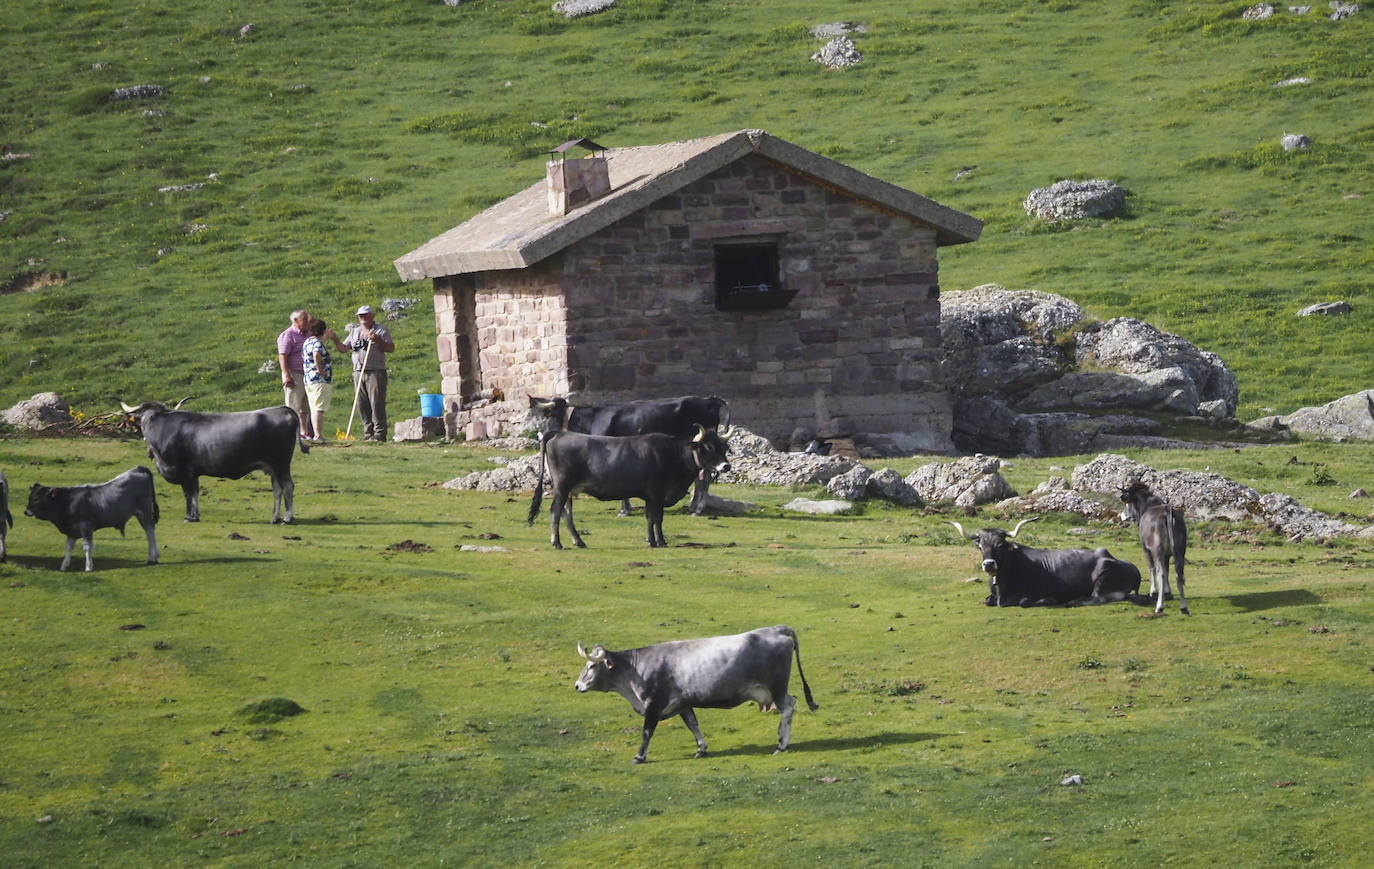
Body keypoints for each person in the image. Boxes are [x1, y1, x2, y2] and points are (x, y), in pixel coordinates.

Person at [338, 304, 395, 442]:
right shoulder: (354, 332)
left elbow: (391, 348)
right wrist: (334, 339)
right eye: (360, 316)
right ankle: (367, 432)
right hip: (358, 371)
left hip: (375, 371)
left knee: (376, 402)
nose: (363, 318)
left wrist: (377, 340)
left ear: (372, 316)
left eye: (365, 315)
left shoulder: (380, 330)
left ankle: (379, 433)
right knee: (362, 403)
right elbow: (344, 349)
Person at [277, 309, 313, 440]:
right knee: (293, 406)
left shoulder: (307, 333)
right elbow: (283, 356)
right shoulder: (288, 335)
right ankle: (291, 434)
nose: (307, 320)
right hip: (294, 373)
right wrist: (287, 375)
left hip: (307, 374)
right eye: (304, 318)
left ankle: (304, 433)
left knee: (305, 406)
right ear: (295, 320)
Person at [302, 318, 334, 445]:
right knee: (318, 408)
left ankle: (316, 434)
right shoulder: (317, 344)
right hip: (319, 380)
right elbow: (316, 354)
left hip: (309, 379)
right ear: (323, 330)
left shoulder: (308, 342)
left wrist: (325, 337)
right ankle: (318, 435)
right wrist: (320, 370)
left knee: (314, 406)